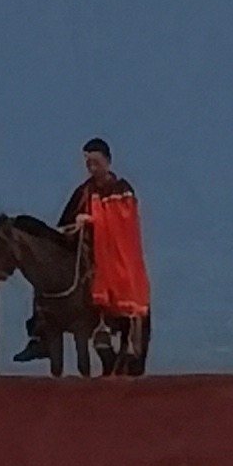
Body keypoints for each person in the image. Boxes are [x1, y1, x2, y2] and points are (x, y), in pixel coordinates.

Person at [61, 137, 153, 369]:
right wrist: (77, 223)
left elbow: (124, 223)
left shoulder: (122, 190)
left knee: (126, 278)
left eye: (96, 162)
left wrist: (94, 221)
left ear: (108, 162)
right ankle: (40, 331)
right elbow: (64, 224)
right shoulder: (83, 191)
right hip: (86, 252)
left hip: (116, 254)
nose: (92, 168)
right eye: (88, 164)